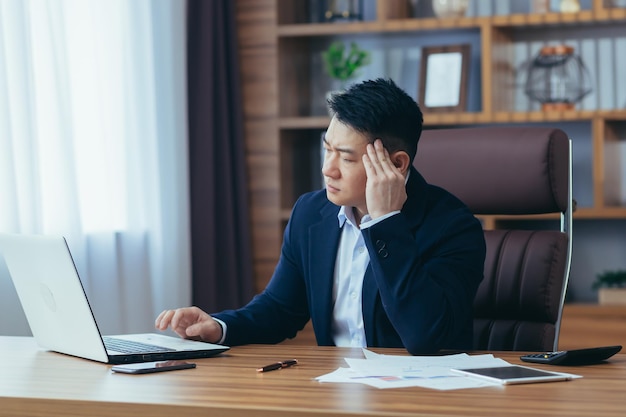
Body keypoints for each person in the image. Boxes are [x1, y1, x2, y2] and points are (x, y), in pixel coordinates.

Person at [156, 78, 486, 354]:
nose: (327, 169)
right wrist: (220, 326)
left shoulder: (453, 227)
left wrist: (386, 222)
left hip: (416, 398)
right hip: (332, 392)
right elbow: (281, 308)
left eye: (345, 158)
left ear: (397, 165)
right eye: (327, 149)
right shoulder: (311, 214)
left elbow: (425, 337)